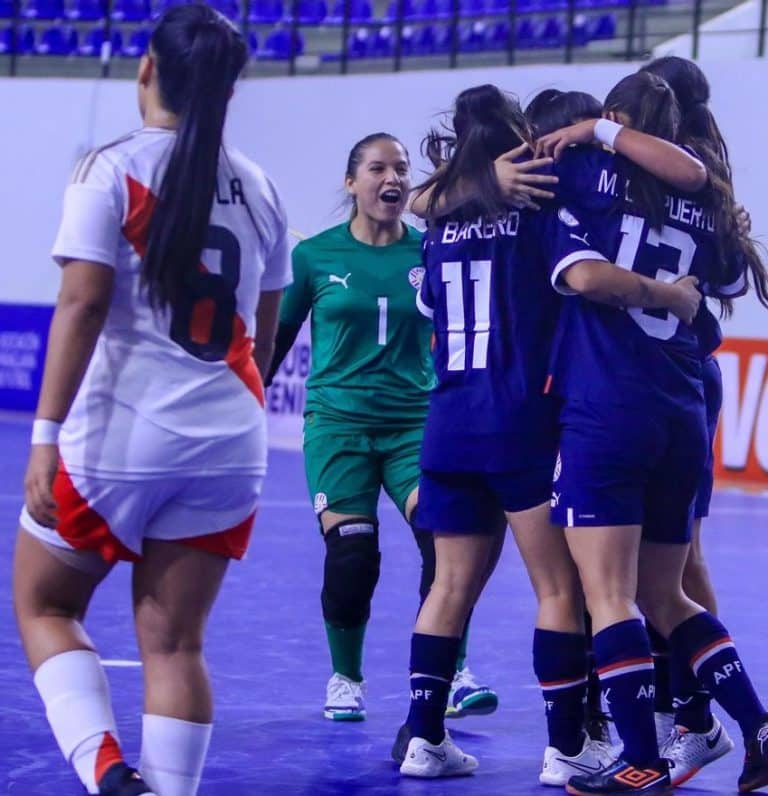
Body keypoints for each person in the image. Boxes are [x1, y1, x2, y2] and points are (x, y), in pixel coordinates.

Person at [12, 6, 290, 795]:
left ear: (147, 70)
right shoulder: (263, 188)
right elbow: (261, 341)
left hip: (121, 441)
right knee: (176, 647)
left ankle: (105, 770)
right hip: (230, 444)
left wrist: (43, 435)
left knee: (43, 602)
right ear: (230, 91)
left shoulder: (110, 169)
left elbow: (83, 306)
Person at [396, 83, 702, 782]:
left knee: (447, 588)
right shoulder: (535, 211)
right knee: (562, 591)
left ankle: (424, 738)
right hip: (521, 425)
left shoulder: (442, 224)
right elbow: (587, 278)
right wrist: (667, 295)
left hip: (447, 424)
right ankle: (567, 746)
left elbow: (428, 278)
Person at [536, 71, 768, 795]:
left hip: (609, 403)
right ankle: (758, 727)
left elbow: (583, 280)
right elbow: (717, 257)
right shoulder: (703, 195)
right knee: (670, 594)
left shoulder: (588, 172)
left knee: (609, 593)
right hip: (681, 406)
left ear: (612, 120)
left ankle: (640, 757)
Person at [265, 133, 501, 723]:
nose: (390, 177)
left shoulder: (429, 251)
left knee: (443, 540)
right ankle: (345, 678)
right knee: (352, 556)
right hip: (338, 427)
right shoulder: (314, 257)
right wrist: (237, 396)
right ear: (352, 183)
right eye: (376, 168)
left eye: (400, 168)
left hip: (414, 427)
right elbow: (277, 341)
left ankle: (451, 673)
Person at [634, 55, 768, 787]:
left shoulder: (658, 174)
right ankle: (688, 713)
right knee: (677, 564)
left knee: (670, 570)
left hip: (667, 378)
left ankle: (694, 716)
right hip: (683, 375)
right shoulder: (703, 176)